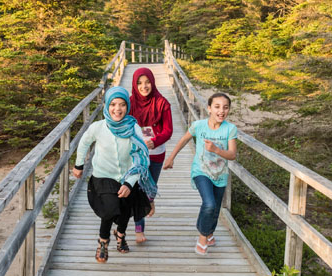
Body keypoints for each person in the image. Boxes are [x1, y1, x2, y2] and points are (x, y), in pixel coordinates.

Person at [72, 87, 158, 263]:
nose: (117, 109)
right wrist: (78, 165)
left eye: (122, 105)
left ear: (127, 106)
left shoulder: (134, 128)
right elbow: (84, 142)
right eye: (112, 104)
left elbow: (142, 158)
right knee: (111, 209)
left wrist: (129, 182)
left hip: (128, 176)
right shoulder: (99, 127)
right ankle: (103, 242)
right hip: (103, 176)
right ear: (106, 106)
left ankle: (121, 235)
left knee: (125, 209)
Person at [163, 92, 237, 255]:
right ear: (209, 108)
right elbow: (183, 140)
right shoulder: (199, 125)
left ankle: (209, 233)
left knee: (215, 209)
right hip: (201, 171)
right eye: (217, 107)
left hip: (220, 174)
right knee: (209, 203)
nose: (221, 111)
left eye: (225, 107)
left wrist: (216, 150)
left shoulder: (230, 129)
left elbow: (232, 154)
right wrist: (171, 158)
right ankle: (202, 237)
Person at [129, 67, 173, 244]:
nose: (144, 86)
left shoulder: (162, 103)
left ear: (152, 82)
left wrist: (155, 141)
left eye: (147, 82)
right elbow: (122, 123)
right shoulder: (129, 103)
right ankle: (139, 229)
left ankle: (150, 200)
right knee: (138, 188)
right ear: (134, 84)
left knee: (150, 187)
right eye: (139, 83)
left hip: (156, 153)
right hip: (136, 154)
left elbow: (168, 130)